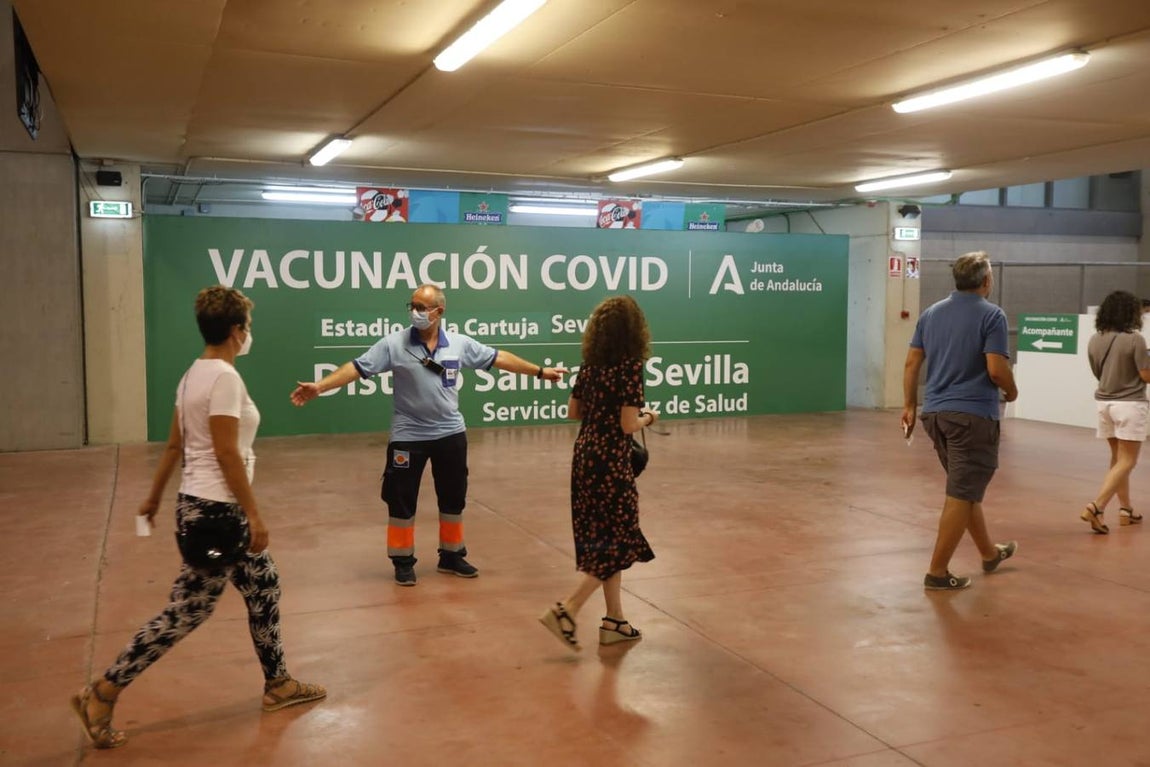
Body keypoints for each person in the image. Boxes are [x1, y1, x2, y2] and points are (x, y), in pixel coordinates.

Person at [70, 285, 325, 750]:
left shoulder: (192, 375)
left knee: (263, 584)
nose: (249, 334)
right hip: (219, 513)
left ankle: (278, 683)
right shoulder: (225, 379)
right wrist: (255, 515)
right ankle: (102, 692)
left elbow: (175, 445)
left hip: (197, 504)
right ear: (235, 331)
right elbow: (227, 453)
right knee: (187, 611)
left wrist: (153, 498)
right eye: (247, 326)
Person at [290, 284, 565, 586]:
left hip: (450, 433)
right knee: (401, 500)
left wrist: (540, 372)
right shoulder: (393, 344)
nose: (416, 313)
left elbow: (498, 358)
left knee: (453, 497)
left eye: (422, 307)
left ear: (439, 311)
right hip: (408, 436)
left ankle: (451, 555)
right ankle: (403, 561)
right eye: (412, 306)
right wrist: (320, 386)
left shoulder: (458, 343)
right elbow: (357, 368)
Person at [539, 295, 657, 651]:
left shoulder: (589, 366)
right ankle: (567, 609)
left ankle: (614, 621)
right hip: (611, 460)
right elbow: (626, 425)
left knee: (602, 536)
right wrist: (649, 417)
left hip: (585, 456)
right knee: (620, 539)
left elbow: (574, 411)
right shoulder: (629, 367)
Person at [901, 251, 1019, 591]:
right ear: (985, 281)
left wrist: (909, 404)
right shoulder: (992, 315)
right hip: (972, 416)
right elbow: (996, 369)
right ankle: (937, 572)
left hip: (935, 415)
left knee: (965, 490)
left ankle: (988, 553)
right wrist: (1011, 391)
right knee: (961, 493)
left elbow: (912, 363)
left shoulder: (931, 313)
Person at [1082, 290, 1150, 533]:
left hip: (1104, 404)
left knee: (1118, 460)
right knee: (1128, 461)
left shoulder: (1095, 339)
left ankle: (1126, 510)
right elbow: (1145, 375)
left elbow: (1098, 373)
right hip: (1130, 405)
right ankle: (1096, 507)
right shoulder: (1135, 340)